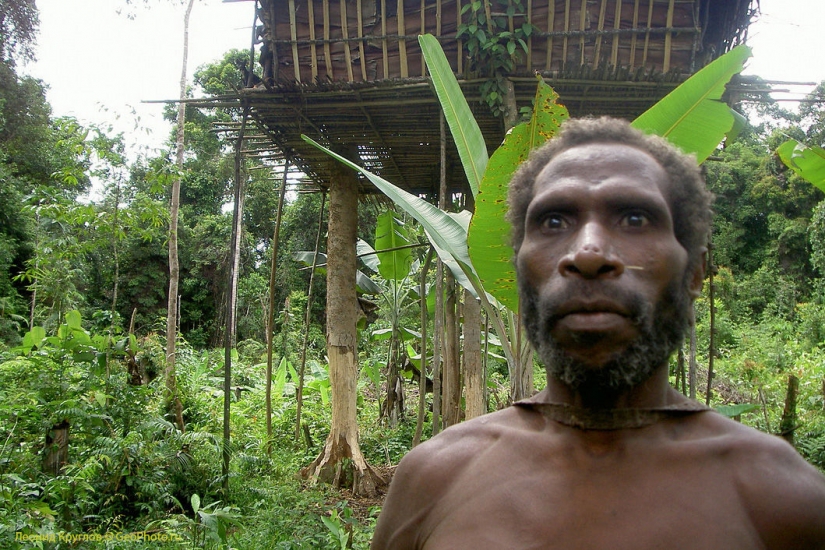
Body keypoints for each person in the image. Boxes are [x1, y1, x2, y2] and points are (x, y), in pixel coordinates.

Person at [370, 117, 825, 549]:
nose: (588, 253)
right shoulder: (433, 481)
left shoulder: (785, 500)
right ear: (519, 272)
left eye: (634, 219)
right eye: (554, 221)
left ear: (696, 271)